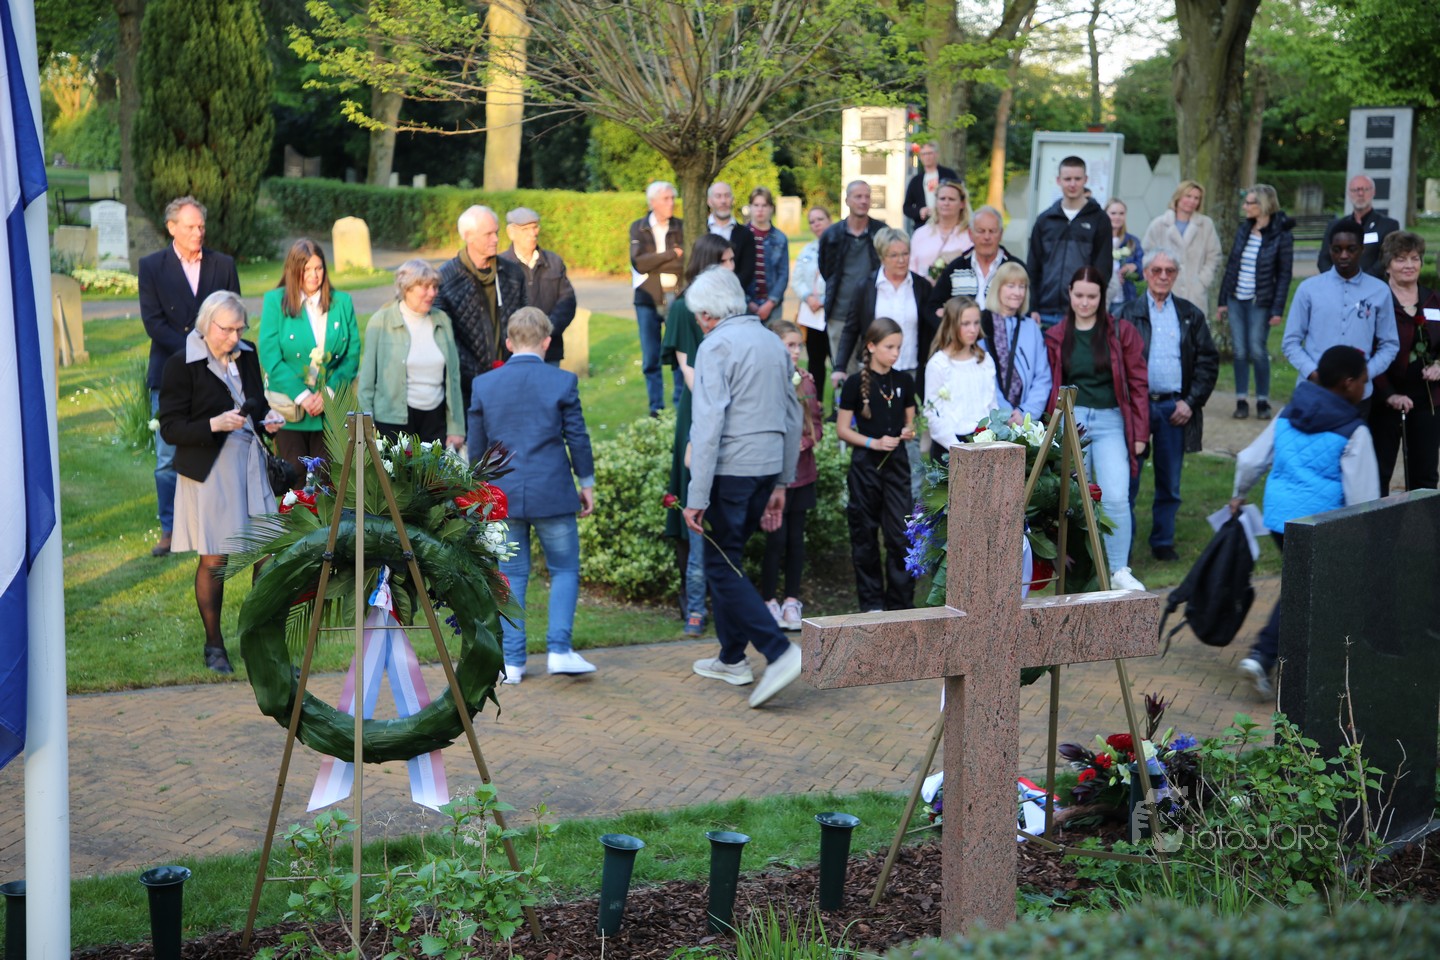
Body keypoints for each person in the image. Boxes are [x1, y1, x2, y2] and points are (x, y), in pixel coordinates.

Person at [683, 269, 803, 709]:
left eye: (699, 316)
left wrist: (696, 497)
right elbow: (793, 416)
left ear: (708, 314)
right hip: (767, 467)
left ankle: (778, 650)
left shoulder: (715, 346)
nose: (699, 323)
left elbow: (708, 423)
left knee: (720, 566)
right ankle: (732, 657)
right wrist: (783, 480)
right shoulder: (772, 341)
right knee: (729, 560)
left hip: (732, 468)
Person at [1230, 345, 1380, 696]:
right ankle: (1263, 655)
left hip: (1279, 518)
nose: (1366, 387)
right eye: (1363, 380)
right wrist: (1369, 533)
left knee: (1306, 587)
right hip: (1320, 524)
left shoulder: (1288, 411)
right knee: (1305, 591)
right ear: (1347, 383)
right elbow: (1364, 495)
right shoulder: (1353, 429)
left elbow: (1251, 459)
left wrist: (1239, 493)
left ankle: (1293, 657)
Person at [467, 307, 597, 684]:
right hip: (552, 490)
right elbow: (577, 437)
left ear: (509, 343)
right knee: (564, 568)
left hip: (503, 494)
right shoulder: (562, 381)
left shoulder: (484, 385)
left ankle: (513, 662)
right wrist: (586, 482)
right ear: (547, 342)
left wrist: (479, 492)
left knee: (511, 574)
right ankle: (559, 650)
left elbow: (477, 448)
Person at [157, 291, 282, 675]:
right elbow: (171, 428)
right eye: (227, 330)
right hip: (210, 469)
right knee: (215, 558)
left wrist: (267, 418)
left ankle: (259, 640)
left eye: (239, 329)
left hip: (250, 463)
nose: (234, 338)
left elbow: (256, 403)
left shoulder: (247, 353)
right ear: (207, 324)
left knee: (269, 552)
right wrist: (214, 424)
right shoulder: (181, 363)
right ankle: (214, 646)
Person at [138, 195, 241, 557]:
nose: (198, 232)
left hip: (219, 373)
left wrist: (216, 351)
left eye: (201, 226)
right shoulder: (152, 266)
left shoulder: (222, 265)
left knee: (223, 449)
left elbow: (233, 313)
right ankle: (170, 529)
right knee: (168, 457)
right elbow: (154, 323)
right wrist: (195, 351)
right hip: (172, 372)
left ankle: (220, 522)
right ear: (172, 228)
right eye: (190, 226)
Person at [1044, 266, 1149, 592]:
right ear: (1069, 294)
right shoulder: (1056, 335)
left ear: (1102, 296)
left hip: (1110, 419)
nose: (1085, 302)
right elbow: (1050, 384)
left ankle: (1118, 570)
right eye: (1079, 295)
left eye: (1092, 296)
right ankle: (1082, 572)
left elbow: (1138, 383)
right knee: (1076, 500)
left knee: (1116, 496)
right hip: (1071, 420)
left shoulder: (1121, 331)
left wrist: (1141, 433)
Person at [1116, 249, 1220, 562]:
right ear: (1146, 273)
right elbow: (1114, 363)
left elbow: (1208, 361)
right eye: (1157, 270)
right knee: (1128, 480)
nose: (1163, 276)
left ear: (1176, 275)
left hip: (1174, 408)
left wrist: (1191, 402)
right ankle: (1123, 544)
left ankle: (1163, 541)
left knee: (1170, 481)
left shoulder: (1189, 314)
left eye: (1169, 271)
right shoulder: (1126, 313)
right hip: (1137, 408)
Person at [661, 235, 738, 638]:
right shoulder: (682, 307)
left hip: (730, 405)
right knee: (690, 495)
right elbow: (688, 369)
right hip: (700, 407)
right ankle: (692, 598)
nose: (732, 266)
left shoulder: (733, 306)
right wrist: (720, 396)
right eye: (726, 260)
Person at [257, 238, 360, 476]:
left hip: (330, 412)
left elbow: (352, 354)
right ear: (294, 271)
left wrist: (328, 394)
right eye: (307, 269)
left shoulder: (342, 302)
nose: (314, 275)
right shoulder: (275, 301)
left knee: (329, 482)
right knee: (294, 482)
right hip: (290, 409)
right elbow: (270, 356)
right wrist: (303, 396)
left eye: (319, 268)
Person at [835, 317, 916, 612]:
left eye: (899, 347)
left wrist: (908, 432)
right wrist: (874, 443)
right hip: (866, 466)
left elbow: (911, 423)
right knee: (864, 534)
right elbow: (842, 430)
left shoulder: (904, 381)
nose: (895, 353)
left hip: (897, 466)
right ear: (871, 346)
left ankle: (900, 605)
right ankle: (872, 604)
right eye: (889, 347)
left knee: (900, 534)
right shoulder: (855, 383)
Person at [1282, 219, 1398, 413]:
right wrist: (1314, 373)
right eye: (1337, 250)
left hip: (1358, 396)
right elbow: (1290, 342)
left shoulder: (1379, 291)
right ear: (1330, 250)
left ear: (1362, 249)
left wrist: (1365, 374)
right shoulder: (1308, 289)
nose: (1344, 255)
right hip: (1314, 391)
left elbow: (1390, 344)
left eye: (1351, 249)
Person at [358, 260, 465, 450]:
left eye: (434, 287)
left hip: (435, 420)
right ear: (406, 288)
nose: (432, 293)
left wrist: (456, 426)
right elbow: (366, 380)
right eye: (425, 287)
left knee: (434, 470)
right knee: (397, 470)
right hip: (393, 421)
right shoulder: (381, 321)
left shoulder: (442, 320)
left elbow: (454, 377)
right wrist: (365, 426)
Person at [760, 320, 824, 631]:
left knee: (796, 540)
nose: (796, 351)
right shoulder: (764, 381)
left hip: (802, 473)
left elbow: (817, 425)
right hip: (774, 475)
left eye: (799, 345)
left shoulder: (806, 382)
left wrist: (806, 441)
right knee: (776, 539)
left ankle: (791, 600)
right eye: (790, 345)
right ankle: (768, 600)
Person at [1368, 231, 1440, 495]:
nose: (1409, 265)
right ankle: (1378, 521)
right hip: (1383, 398)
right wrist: (1389, 394)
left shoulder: (1434, 300)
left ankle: (1422, 522)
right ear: (1387, 265)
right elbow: (1367, 352)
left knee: (1425, 474)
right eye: (1400, 259)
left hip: (1427, 400)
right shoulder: (1376, 302)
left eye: (1414, 258)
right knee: (1379, 472)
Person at [435, 204, 527, 409]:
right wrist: (480, 376)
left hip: (511, 379)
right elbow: (445, 339)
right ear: (468, 236)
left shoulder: (513, 273)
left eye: (496, 232)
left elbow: (525, 324)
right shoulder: (445, 279)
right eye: (488, 234)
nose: (496, 239)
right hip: (467, 387)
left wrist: (515, 367)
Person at [1217, 184, 1294, 420]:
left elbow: (1284, 275)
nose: (1245, 207)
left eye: (1249, 203)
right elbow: (1232, 266)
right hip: (1236, 298)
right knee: (1240, 351)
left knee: (1257, 350)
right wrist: (1222, 300)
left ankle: (1262, 400)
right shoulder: (1244, 230)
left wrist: (1277, 309)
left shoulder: (1281, 234)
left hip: (1260, 301)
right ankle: (1241, 400)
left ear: (1263, 205)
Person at [1027, 156, 1112, 329]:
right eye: (1067, 179)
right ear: (1058, 180)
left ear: (1086, 180)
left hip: (1081, 313)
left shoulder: (1099, 219)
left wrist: (1093, 306)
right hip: (1044, 312)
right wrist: (1032, 306)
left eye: (1077, 179)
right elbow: (1033, 267)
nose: (1072, 184)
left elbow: (1103, 269)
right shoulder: (1045, 220)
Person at [819, 181, 887, 389]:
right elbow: (826, 270)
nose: (863, 201)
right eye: (858, 196)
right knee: (843, 374)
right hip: (839, 314)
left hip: (873, 315)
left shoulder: (881, 233)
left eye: (867, 196)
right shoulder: (832, 235)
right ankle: (844, 409)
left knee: (875, 372)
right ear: (847, 200)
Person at [629, 180, 685, 415]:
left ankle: (680, 404)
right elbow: (639, 263)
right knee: (651, 357)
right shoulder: (638, 227)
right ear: (652, 202)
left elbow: (684, 263)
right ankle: (656, 409)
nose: (671, 203)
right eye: (666, 199)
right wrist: (671, 254)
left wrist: (655, 261)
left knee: (679, 352)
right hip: (647, 298)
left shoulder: (681, 226)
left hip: (676, 296)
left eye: (672, 198)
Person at [499, 207, 576, 366]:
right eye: (525, 229)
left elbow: (567, 301)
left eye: (535, 227)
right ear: (511, 232)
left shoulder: (554, 262)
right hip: (512, 353)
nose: (532, 233)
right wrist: (520, 335)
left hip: (549, 350)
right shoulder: (501, 266)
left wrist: (546, 329)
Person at [978, 262, 1051, 425]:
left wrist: (1026, 413)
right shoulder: (982, 324)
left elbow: (1043, 377)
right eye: (1010, 286)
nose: (1017, 293)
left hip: (1025, 419)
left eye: (1022, 287)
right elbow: (982, 375)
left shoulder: (1031, 327)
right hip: (990, 417)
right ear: (998, 288)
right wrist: (1005, 413)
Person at [924, 297, 996, 459]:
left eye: (976, 323)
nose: (973, 329)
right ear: (951, 325)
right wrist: (957, 447)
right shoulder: (939, 364)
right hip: (949, 446)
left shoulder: (985, 360)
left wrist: (991, 436)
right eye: (965, 324)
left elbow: (991, 404)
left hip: (983, 442)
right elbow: (932, 413)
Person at [1140, 180, 1222, 312]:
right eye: (1188, 196)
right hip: (1163, 289)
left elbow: (1214, 256)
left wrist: (1202, 281)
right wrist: (1156, 280)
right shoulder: (1159, 224)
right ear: (1178, 197)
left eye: (1196, 198)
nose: (1192, 201)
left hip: (1194, 293)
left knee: (1193, 323)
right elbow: (1147, 255)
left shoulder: (1206, 225)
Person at [926, 205, 1013, 316]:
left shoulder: (1013, 268)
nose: (987, 237)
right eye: (981, 231)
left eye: (992, 231)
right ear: (970, 234)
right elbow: (933, 307)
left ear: (1001, 234)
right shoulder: (955, 268)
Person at [1316, 175, 1399, 278]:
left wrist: (1361, 281)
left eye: (1365, 189)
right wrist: (1337, 280)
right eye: (1355, 190)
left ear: (1373, 192)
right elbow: (1323, 260)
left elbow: (1386, 258)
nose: (1360, 194)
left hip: (1372, 283)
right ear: (1349, 193)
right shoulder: (1335, 226)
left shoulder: (1388, 225)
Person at [792, 205, 833, 405]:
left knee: (837, 360)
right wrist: (808, 297)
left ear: (830, 220)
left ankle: (839, 406)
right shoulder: (807, 250)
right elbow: (797, 280)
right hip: (812, 313)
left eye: (820, 219)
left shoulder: (839, 247)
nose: (816, 224)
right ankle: (816, 405)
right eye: (812, 221)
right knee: (815, 360)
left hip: (832, 311)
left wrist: (824, 300)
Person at [908, 179, 973, 280]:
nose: (946, 203)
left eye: (951, 199)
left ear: (962, 204)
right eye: (942, 199)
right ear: (936, 202)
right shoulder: (920, 233)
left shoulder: (970, 235)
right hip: (922, 287)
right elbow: (910, 268)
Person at [744, 186, 789, 322]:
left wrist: (770, 303)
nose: (760, 210)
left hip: (772, 305)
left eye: (764, 205)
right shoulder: (741, 236)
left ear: (771, 208)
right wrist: (748, 302)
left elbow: (783, 274)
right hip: (746, 305)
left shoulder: (780, 238)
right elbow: (737, 272)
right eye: (756, 205)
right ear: (750, 207)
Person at [707, 181, 756, 295]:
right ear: (709, 201)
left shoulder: (746, 234)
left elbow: (747, 271)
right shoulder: (700, 231)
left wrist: (727, 290)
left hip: (735, 295)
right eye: (718, 196)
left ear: (733, 200)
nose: (723, 201)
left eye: (727, 196)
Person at [902, 141, 959, 227]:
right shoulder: (916, 180)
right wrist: (920, 211)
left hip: (948, 223)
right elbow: (906, 208)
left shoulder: (948, 175)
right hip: (923, 225)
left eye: (929, 153)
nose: (927, 157)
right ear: (920, 157)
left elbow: (959, 197)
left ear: (936, 154)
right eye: (923, 154)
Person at [1104, 198, 1144, 314]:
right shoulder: (1098, 240)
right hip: (1102, 298)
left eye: (1121, 213)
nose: (1117, 217)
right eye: (1113, 213)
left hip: (1124, 299)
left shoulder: (1132, 241)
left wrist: (1134, 267)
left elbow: (1144, 270)